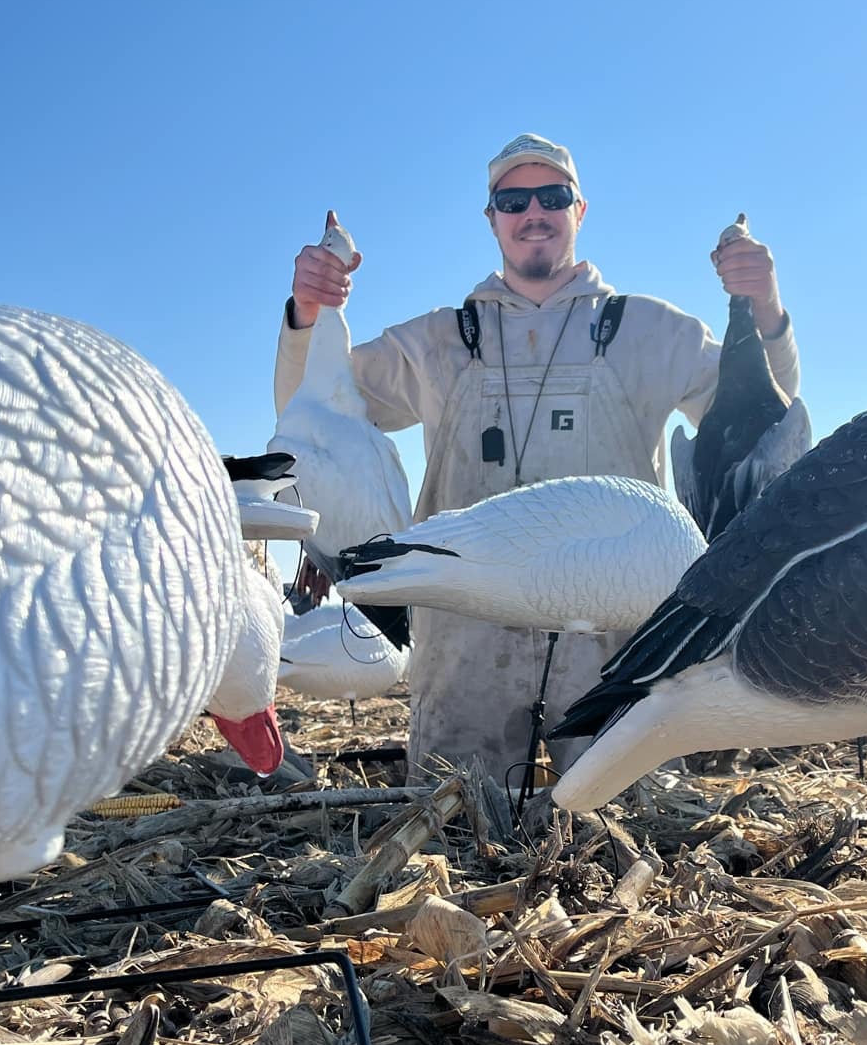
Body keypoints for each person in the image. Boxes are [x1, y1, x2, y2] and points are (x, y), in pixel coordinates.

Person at [274, 133, 800, 785]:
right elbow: (311, 415)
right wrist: (308, 315)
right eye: (512, 199)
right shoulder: (437, 341)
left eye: (552, 196)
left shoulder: (651, 332)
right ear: (491, 218)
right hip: (464, 638)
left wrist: (765, 311)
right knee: (454, 829)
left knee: (629, 828)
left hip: (616, 639)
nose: (534, 212)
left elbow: (764, 423)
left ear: (579, 211)